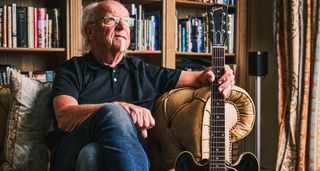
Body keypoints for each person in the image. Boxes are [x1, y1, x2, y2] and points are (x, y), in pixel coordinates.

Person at [46, 1, 235, 171]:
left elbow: (200, 77)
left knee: (92, 154)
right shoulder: (72, 69)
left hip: (126, 157)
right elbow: (64, 116)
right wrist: (119, 108)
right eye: (111, 20)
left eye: (126, 22)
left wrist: (222, 74)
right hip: (69, 153)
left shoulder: (142, 71)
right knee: (112, 114)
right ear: (90, 31)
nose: (122, 26)